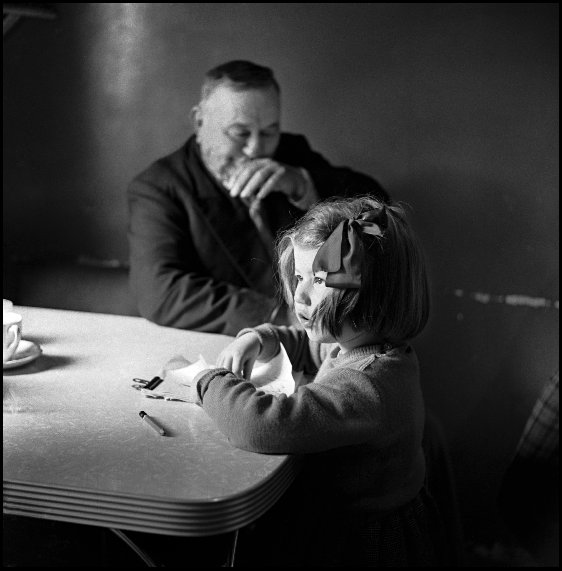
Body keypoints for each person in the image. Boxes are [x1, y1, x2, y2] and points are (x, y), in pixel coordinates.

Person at [180, 195, 448, 566]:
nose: (300, 295)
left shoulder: (370, 385)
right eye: (301, 276)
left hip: (358, 545)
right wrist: (261, 337)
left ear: (371, 290)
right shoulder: (364, 347)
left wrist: (209, 380)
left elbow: (261, 425)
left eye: (319, 280)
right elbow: (310, 347)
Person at [127, 60, 388, 335]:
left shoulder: (291, 153)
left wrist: (302, 184)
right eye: (240, 133)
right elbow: (160, 292)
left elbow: (378, 209)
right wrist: (280, 316)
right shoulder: (157, 187)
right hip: (234, 343)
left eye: (268, 132)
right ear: (199, 122)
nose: (256, 149)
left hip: (327, 335)